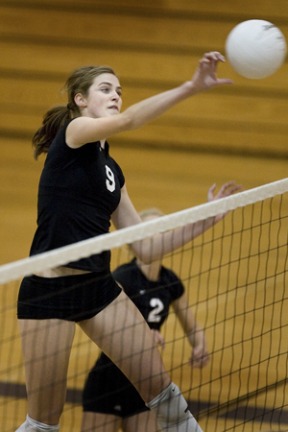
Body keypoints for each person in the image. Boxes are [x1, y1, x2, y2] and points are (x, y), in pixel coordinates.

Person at [15, 51, 241, 432]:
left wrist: (205, 221)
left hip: (98, 287)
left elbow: (146, 247)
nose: (116, 95)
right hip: (48, 290)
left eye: (119, 90)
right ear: (80, 100)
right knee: (43, 424)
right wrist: (191, 87)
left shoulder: (111, 170)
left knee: (165, 397)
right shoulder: (74, 133)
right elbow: (131, 119)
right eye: (106, 89)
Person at [81, 208, 210, 432]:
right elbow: (102, 326)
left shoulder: (170, 282)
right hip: (108, 380)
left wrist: (199, 344)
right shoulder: (123, 277)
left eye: (161, 229)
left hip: (145, 383)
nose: (156, 234)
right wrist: (140, 334)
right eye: (149, 229)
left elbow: (192, 327)